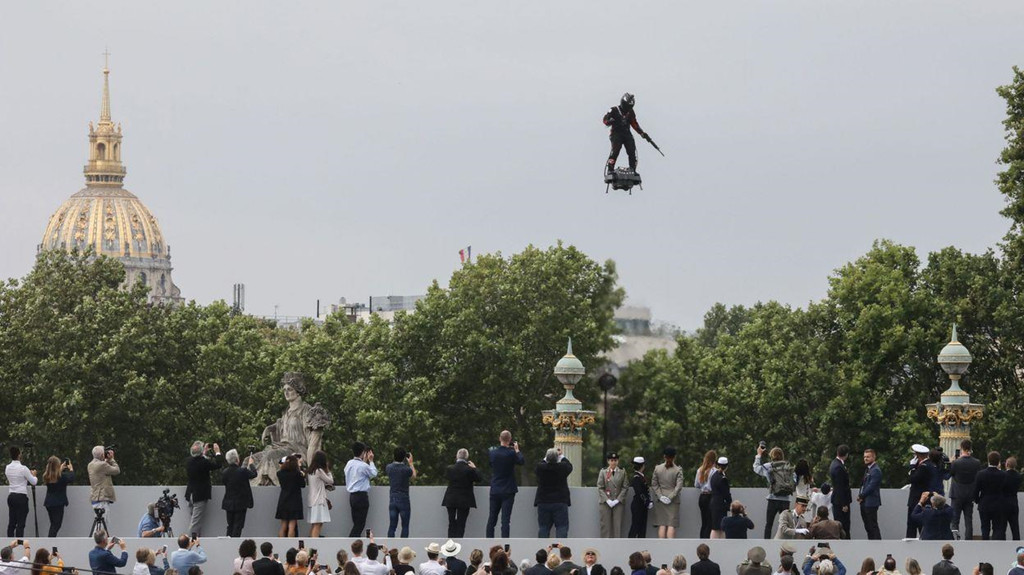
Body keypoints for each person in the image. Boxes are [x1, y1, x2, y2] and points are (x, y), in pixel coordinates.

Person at [486, 430, 525, 538]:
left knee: (492, 518)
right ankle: (505, 544)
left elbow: (491, 464)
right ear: (510, 440)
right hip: (508, 489)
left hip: (495, 488)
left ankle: (489, 541)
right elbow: (521, 461)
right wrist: (517, 450)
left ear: (500, 438)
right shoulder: (511, 453)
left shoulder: (492, 453)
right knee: (505, 520)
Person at [754, 445, 795, 539]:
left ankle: (767, 543)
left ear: (771, 456)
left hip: (773, 498)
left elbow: (756, 468)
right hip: (786, 500)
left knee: (769, 524)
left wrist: (759, 455)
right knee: (785, 524)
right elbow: (794, 480)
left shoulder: (769, 466)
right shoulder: (787, 466)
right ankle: (784, 543)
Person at [602, 93, 649, 176]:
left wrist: (642, 133)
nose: (627, 109)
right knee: (615, 150)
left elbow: (634, 124)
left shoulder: (630, 112)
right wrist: (609, 121)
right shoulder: (614, 110)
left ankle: (632, 170)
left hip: (627, 133)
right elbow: (605, 120)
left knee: (632, 151)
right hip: (616, 133)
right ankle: (610, 169)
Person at [183, 441, 222, 537]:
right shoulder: (204, 462)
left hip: (190, 494)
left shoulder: (188, 461)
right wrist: (217, 452)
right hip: (200, 495)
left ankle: (196, 539)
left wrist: (203, 452)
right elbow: (218, 465)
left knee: (194, 520)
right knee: (195, 523)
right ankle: (189, 541)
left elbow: (198, 460)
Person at [442, 448, 482, 537]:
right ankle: (459, 541)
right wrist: (475, 468)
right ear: (467, 457)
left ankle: (450, 541)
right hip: (465, 499)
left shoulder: (450, 468)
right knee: (461, 523)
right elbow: (479, 478)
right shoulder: (469, 470)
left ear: (457, 456)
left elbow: (446, 477)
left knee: (451, 522)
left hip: (451, 498)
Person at [535, 448, 573, 538]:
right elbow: (569, 466)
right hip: (560, 501)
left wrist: (547, 457)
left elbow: (539, 465)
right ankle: (561, 546)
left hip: (543, 501)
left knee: (543, 527)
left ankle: (542, 546)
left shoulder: (541, 468)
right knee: (561, 527)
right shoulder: (563, 467)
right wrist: (561, 455)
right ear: (557, 458)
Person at [948, 440, 982, 540]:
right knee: (968, 520)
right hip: (970, 495)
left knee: (955, 520)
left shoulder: (956, 463)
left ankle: (955, 539)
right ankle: (968, 539)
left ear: (961, 448)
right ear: (970, 448)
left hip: (956, 494)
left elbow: (949, 474)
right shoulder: (976, 463)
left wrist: (951, 462)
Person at [221, 449, 257, 537]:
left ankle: (228, 540)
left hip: (228, 502)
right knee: (238, 525)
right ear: (237, 459)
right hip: (241, 502)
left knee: (230, 525)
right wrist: (251, 464)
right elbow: (254, 474)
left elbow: (224, 482)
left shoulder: (225, 472)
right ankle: (235, 542)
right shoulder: (242, 471)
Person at [345, 442, 378, 538]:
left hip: (352, 496)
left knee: (356, 522)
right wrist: (371, 461)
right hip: (361, 497)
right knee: (360, 524)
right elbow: (374, 473)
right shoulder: (363, 466)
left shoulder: (349, 463)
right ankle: (351, 542)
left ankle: (355, 542)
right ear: (363, 452)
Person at [651, 447, 685, 539]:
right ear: (674, 457)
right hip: (673, 501)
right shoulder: (678, 470)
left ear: (664, 456)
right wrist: (670, 497)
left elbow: (654, 484)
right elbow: (679, 486)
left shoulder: (657, 468)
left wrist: (660, 496)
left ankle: (661, 546)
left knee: (662, 524)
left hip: (660, 500)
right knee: (671, 525)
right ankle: (671, 546)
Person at [5, 447, 38, 538]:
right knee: (20, 523)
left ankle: (10, 542)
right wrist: (34, 475)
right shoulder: (23, 468)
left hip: (11, 496)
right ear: (19, 455)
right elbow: (34, 482)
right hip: (21, 496)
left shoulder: (7, 468)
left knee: (12, 522)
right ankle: (19, 542)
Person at [974, 450, 1006, 540]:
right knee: (997, 527)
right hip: (998, 504)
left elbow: (976, 490)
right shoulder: (1003, 475)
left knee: (985, 527)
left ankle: (985, 544)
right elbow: (1005, 489)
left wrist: (977, 500)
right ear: (998, 461)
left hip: (984, 504)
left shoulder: (980, 474)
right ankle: (996, 544)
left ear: (988, 460)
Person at [385, 448, 416, 538]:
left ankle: (390, 543)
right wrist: (411, 463)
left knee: (392, 525)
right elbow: (414, 476)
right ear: (404, 457)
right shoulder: (406, 469)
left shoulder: (389, 467)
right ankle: (403, 544)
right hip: (404, 498)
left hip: (393, 498)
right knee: (405, 525)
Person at [40, 456, 73, 537]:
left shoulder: (47, 476)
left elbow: (55, 475)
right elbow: (71, 478)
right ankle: (50, 540)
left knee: (53, 524)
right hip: (58, 503)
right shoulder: (61, 477)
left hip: (49, 503)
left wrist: (60, 469)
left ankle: (51, 539)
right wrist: (71, 469)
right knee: (56, 525)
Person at [907, 444, 935, 538]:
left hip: (918, 499)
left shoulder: (924, 466)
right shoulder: (928, 465)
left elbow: (913, 479)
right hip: (920, 498)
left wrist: (912, 467)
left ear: (917, 455)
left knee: (913, 524)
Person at [597, 452, 628, 538]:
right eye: (612, 460)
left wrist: (618, 500)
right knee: (605, 525)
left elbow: (625, 487)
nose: (613, 462)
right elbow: (600, 487)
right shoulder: (603, 471)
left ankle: (617, 543)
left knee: (617, 525)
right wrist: (607, 500)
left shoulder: (622, 471)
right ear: (608, 461)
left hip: (618, 502)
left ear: (618, 461)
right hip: (605, 502)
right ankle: (604, 543)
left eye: (615, 460)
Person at [275, 454, 306, 537]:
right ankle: (290, 542)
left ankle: (281, 542)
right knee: (292, 526)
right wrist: (302, 474)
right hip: (295, 501)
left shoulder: (280, 473)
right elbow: (303, 485)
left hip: (283, 500)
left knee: (283, 525)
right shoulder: (297, 474)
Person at [306, 450, 335, 538]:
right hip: (319, 500)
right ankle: (314, 543)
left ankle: (310, 542)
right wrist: (328, 470)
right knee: (318, 524)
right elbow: (330, 481)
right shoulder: (319, 471)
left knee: (314, 523)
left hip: (312, 500)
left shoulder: (311, 471)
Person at [89, 445, 121, 521]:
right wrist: (112, 459)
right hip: (102, 498)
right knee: (103, 523)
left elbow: (103, 467)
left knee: (98, 522)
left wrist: (106, 459)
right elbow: (116, 470)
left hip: (95, 497)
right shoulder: (102, 465)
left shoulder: (90, 464)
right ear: (102, 455)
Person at [858, 448, 883, 540]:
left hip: (871, 502)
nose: (865, 459)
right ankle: (871, 542)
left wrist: (861, 495)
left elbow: (871, 486)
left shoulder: (876, 470)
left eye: (868, 457)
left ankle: (877, 543)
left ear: (873, 457)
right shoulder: (868, 469)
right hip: (864, 502)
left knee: (872, 525)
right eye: (864, 457)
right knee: (868, 526)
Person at [829, 445, 852, 539]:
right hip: (840, 501)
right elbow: (840, 486)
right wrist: (844, 504)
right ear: (846, 454)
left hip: (837, 500)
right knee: (844, 525)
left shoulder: (834, 464)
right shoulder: (839, 467)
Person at [695, 450, 718, 539]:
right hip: (710, 496)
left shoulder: (700, 470)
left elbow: (696, 485)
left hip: (702, 497)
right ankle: (708, 540)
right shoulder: (714, 471)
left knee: (704, 522)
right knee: (710, 522)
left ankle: (702, 540)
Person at [709, 457, 732, 539]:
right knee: (717, 527)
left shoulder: (714, 475)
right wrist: (730, 503)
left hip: (714, 502)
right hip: (720, 504)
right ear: (726, 466)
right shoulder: (722, 478)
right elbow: (726, 493)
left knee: (717, 526)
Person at [629, 456, 652, 538]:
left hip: (642, 505)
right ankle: (630, 542)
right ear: (642, 466)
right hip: (638, 504)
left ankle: (641, 542)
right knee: (636, 525)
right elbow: (640, 492)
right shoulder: (637, 478)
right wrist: (647, 501)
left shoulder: (641, 476)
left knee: (642, 527)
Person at [1004, 456, 1021, 540]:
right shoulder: (1018, 476)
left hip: (1003, 503)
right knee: (1015, 528)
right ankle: (1017, 544)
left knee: (1002, 527)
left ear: (1007, 464)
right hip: (1014, 503)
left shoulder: (1003, 475)